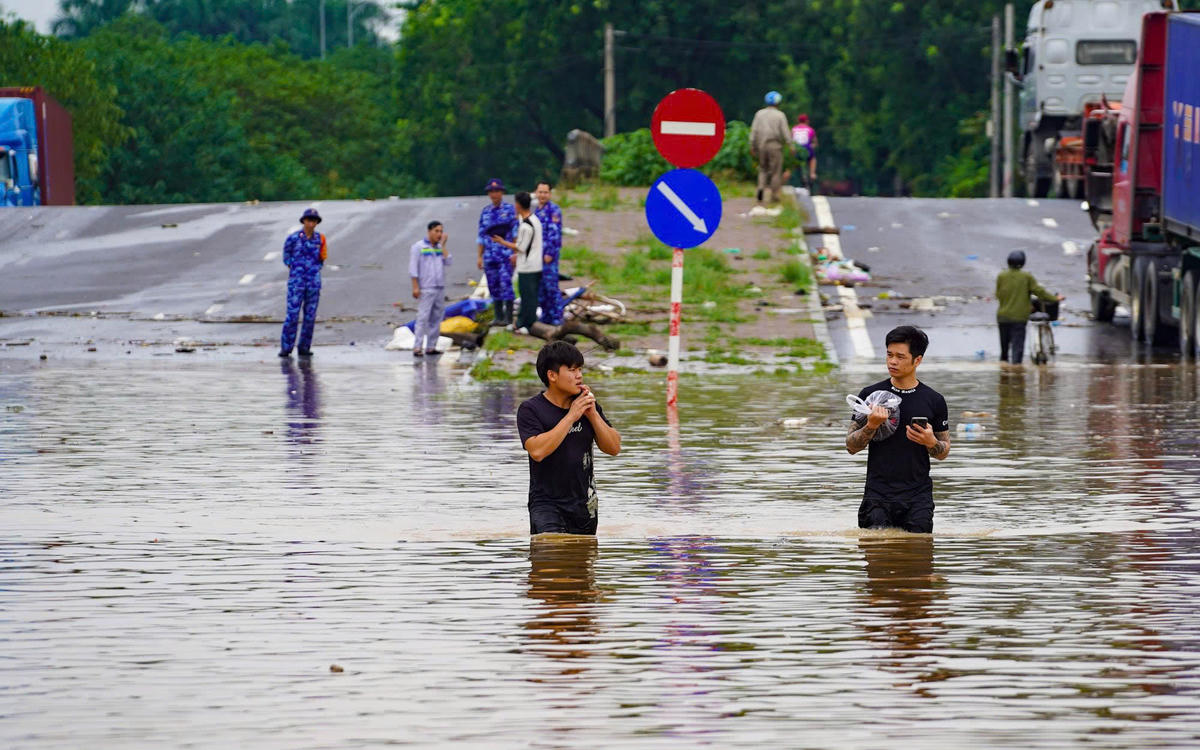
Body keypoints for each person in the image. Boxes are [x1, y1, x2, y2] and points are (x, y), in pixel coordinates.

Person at [846, 326, 950, 534]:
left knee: (919, 557)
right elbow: (851, 446)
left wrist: (930, 442)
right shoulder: (871, 395)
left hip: (917, 497)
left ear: (917, 360)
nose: (892, 361)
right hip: (877, 495)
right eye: (889, 354)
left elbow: (944, 451)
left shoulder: (934, 400)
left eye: (900, 357)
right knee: (876, 556)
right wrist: (871, 426)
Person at [517, 341, 621, 535]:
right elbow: (537, 451)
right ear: (552, 375)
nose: (579, 376)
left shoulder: (586, 406)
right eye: (572, 370)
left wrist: (592, 414)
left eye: (580, 369)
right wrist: (571, 416)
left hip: (584, 506)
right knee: (551, 558)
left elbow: (614, 448)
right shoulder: (531, 409)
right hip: (546, 505)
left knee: (580, 562)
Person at [995, 250, 1063, 365]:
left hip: (1003, 317)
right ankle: (1017, 376)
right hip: (1019, 318)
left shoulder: (1001, 276)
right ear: (1022, 263)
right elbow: (1039, 292)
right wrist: (1055, 299)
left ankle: (1004, 375)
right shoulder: (1026, 277)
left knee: (1004, 351)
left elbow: (998, 294)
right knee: (1017, 350)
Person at [491, 191, 543, 333]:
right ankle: (522, 323)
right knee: (529, 295)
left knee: (528, 297)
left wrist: (502, 242)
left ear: (518, 205)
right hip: (534, 263)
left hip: (528, 266)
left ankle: (526, 324)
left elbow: (521, 247)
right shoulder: (534, 219)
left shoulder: (526, 226)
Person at [279, 207, 327, 358]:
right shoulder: (294, 238)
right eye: (309, 220)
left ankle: (304, 347)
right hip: (297, 282)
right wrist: (296, 268)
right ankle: (286, 347)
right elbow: (286, 257)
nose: (311, 223)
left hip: (313, 281)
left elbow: (322, 257)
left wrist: (313, 269)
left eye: (314, 221)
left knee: (310, 316)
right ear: (304, 221)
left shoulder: (320, 239)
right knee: (292, 315)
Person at [477, 178, 517, 326]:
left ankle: (508, 317)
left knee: (506, 285)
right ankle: (498, 316)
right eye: (492, 192)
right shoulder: (485, 212)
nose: (494, 194)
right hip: (489, 255)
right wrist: (479, 256)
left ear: (502, 192)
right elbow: (480, 236)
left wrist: (515, 252)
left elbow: (515, 233)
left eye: (497, 191)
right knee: (493, 286)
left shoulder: (509, 210)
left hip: (505, 255)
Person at [410, 220, 451, 357]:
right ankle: (417, 346)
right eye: (436, 231)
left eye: (441, 231)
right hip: (426, 287)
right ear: (429, 231)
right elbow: (413, 268)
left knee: (436, 318)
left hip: (439, 287)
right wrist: (415, 286)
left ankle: (431, 346)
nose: (439, 234)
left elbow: (449, 261)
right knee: (423, 317)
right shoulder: (418, 247)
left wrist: (443, 245)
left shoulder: (439, 248)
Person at [749, 90, 791, 205]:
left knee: (762, 169)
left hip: (761, 145)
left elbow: (754, 130)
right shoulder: (780, 115)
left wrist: (752, 145)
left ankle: (760, 189)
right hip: (775, 145)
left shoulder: (759, 114)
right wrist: (790, 145)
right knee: (775, 171)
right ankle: (774, 195)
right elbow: (785, 132)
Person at [534, 181, 564, 326]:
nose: (542, 195)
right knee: (541, 288)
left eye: (545, 192)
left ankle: (557, 316)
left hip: (548, 257)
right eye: (540, 192)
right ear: (536, 193)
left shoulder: (554, 210)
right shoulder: (536, 211)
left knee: (551, 286)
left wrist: (550, 253)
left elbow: (555, 234)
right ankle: (546, 316)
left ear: (550, 194)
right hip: (536, 257)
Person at [791, 113, 818, 189]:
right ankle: (812, 174)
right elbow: (815, 142)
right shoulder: (810, 129)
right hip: (807, 149)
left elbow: (790, 141)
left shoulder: (793, 129)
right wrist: (812, 146)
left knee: (793, 164)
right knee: (812, 159)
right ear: (806, 121)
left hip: (796, 150)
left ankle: (786, 175)